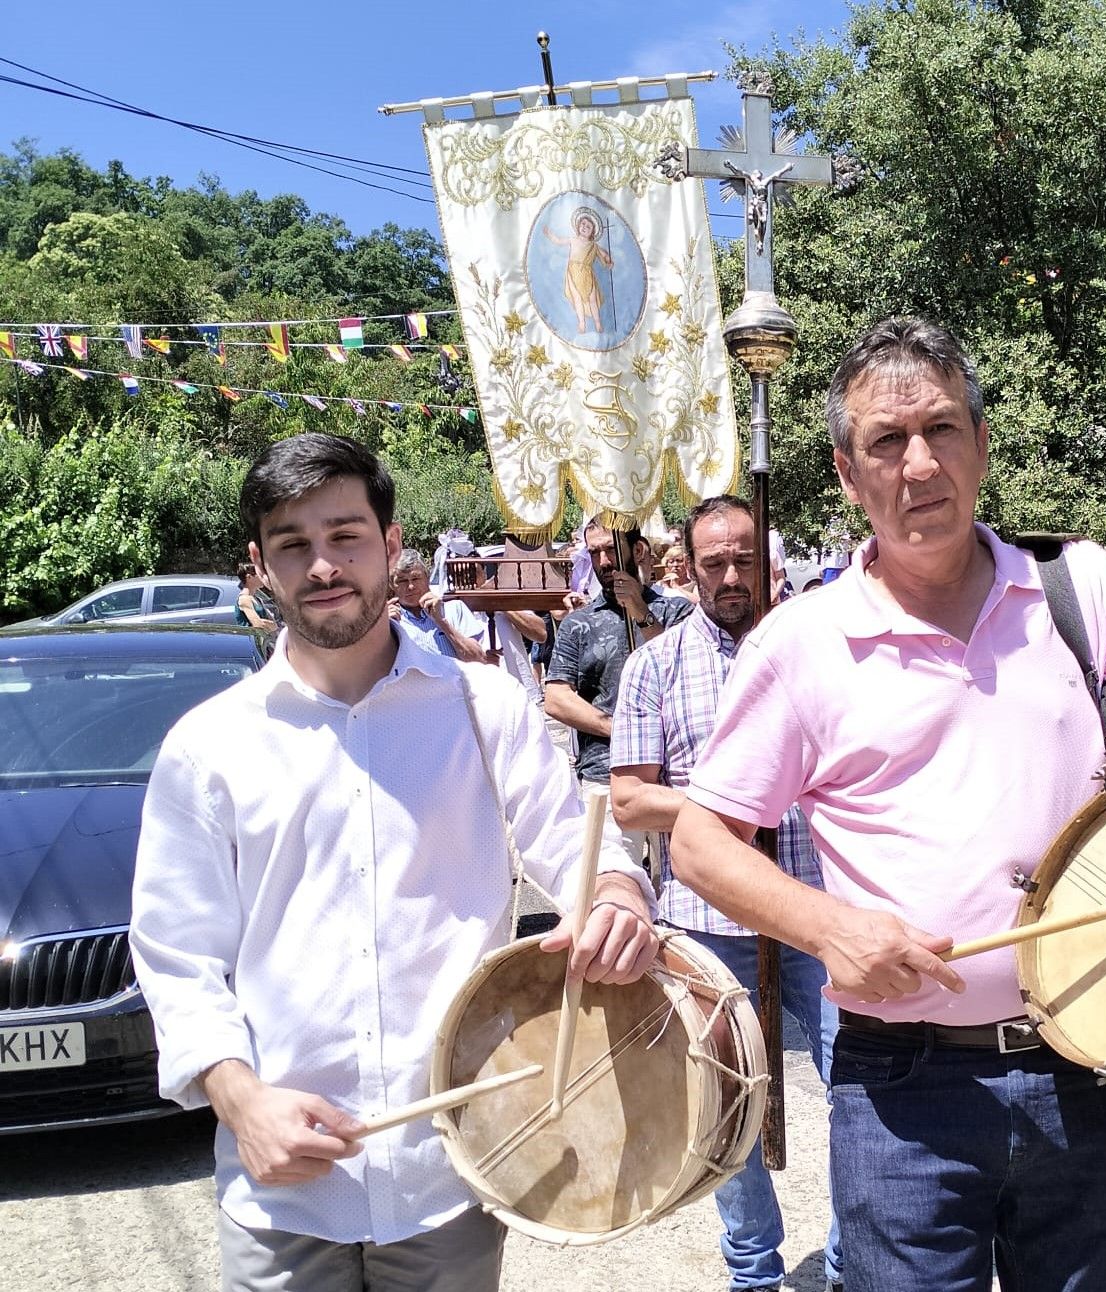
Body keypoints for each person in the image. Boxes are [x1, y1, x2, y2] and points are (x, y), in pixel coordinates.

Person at [668, 317, 1106, 1292]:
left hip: (1089, 1063)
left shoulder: (1076, 585)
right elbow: (703, 844)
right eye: (886, 440)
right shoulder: (801, 642)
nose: (919, 464)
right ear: (847, 473)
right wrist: (830, 926)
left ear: (982, 444)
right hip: (901, 1090)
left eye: (942, 429)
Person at [128, 433, 658, 1292]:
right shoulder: (209, 747)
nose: (324, 565)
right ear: (260, 568)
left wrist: (616, 897)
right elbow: (177, 956)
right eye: (293, 545)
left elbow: (580, 849)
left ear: (393, 546)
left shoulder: (483, 708)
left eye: (345, 536)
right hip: (282, 1195)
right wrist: (239, 1102)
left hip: (448, 1176)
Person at [610, 496, 842, 1292]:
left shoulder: (823, 650)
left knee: (866, 1087)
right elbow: (632, 800)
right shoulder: (655, 666)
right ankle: (754, 1270)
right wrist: (736, 803)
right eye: (715, 563)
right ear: (689, 567)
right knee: (720, 1104)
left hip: (819, 910)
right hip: (708, 921)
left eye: (745, 559)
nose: (732, 577)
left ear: (768, 559)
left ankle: (849, 1257)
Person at [544, 521, 691, 864]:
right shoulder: (579, 623)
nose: (603, 561)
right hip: (605, 775)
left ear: (637, 551)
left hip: (674, 774)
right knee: (612, 882)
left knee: (678, 886)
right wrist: (619, 729)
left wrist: (641, 613)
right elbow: (556, 698)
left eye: (610, 549)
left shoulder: (676, 612)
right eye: (594, 552)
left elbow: (681, 669)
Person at [389, 548, 491, 663]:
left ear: (427, 578)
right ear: (392, 585)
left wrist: (441, 621)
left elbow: (478, 659)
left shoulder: (454, 609)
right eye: (402, 581)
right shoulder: (391, 620)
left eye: (416, 578)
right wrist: (383, 629)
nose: (411, 586)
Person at [544, 208, 612, 336]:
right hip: (573, 272)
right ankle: (582, 323)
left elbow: (604, 255)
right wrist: (550, 235)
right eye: (583, 224)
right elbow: (558, 241)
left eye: (588, 226)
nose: (584, 227)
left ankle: (598, 322)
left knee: (592, 300)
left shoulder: (593, 245)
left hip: (587, 274)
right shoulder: (573, 240)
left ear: (592, 232)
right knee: (577, 299)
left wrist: (608, 260)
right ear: (578, 225)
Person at [235, 560, 278, 631]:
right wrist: (272, 625)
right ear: (249, 577)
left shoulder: (256, 598)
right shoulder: (244, 599)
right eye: (259, 575)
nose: (263, 578)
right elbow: (258, 624)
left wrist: (272, 624)